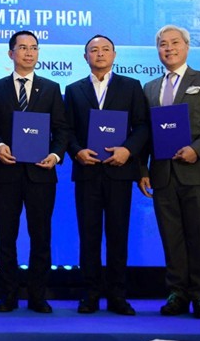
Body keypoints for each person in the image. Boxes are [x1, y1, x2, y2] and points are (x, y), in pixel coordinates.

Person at [138, 24, 200, 319]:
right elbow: (145, 133)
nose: (169, 48)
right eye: (163, 44)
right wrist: (142, 169)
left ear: (186, 47)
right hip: (163, 175)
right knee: (171, 238)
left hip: (198, 174)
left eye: (175, 43)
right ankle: (177, 293)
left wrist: (197, 149)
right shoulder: (150, 88)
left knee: (199, 238)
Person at [0, 30, 69, 313]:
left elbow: (62, 129)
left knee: (41, 236)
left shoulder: (51, 88)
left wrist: (55, 155)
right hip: (5, 173)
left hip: (41, 173)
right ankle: (8, 294)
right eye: (23, 47)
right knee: (5, 236)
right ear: (11, 53)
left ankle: (37, 296)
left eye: (34, 47)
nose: (29, 52)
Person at [64, 35, 149, 316]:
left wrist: (128, 150)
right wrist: (76, 151)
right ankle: (89, 294)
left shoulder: (131, 86)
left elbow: (142, 126)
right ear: (85, 56)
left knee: (117, 235)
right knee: (88, 236)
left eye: (105, 49)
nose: (99, 54)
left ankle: (117, 296)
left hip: (119, 171)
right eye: (94, 50)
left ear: (114, 54)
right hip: (87, 172)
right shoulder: (73, 90)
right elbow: (66, 130)